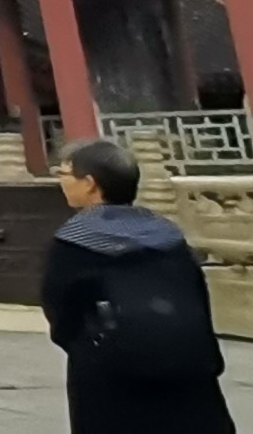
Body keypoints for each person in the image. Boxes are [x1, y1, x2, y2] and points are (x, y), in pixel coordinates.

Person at [43, 138, 232, 433]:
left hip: (111, 377)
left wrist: (89, 349)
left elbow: (61, 312)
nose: (61, 182)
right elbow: (197, 296)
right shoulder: (168, 236)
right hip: (186, 366)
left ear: (90, 183)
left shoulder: (75, 241)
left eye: (64, 174)